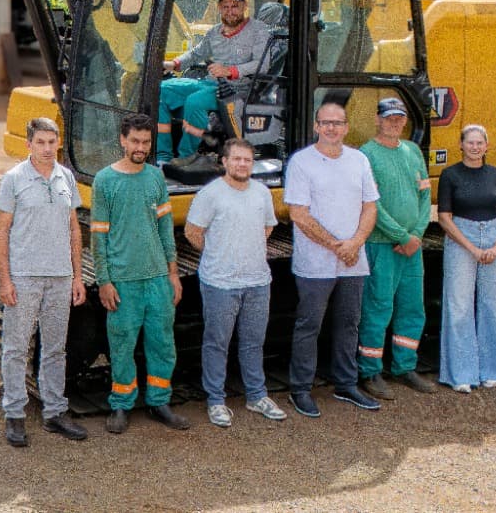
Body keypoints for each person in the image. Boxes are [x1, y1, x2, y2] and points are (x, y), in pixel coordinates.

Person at [0, 117, 90, 446]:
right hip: (24, 276)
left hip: (60, 276)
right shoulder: (14, 179)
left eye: (52, 142)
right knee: (16, 348)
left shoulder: (67, 177)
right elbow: (2, 232)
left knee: (55, 348)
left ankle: (54, 412)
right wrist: (5, 280)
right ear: (29, 144)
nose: (47, 148)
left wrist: (77, 276)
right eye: (41, 143)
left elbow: (74, 229)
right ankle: (15, 414)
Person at [91, 112, 189, 433]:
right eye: (135, 140)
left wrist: (173, 273)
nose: (140, 147)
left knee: (162, 342)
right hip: (123, 280)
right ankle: (121, 404)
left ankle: (159, 401)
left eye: (146, 142)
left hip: (158, 278)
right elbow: (99, 236)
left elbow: (164, 229)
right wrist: (104, 281)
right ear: (122, 140)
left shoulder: (155, 177)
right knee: (121, 345)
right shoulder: (105, 181)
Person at [284, 100, 382, 417]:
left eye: (337, 123)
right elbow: (298, 213)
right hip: (315, 263)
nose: (331, 128)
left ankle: (346, 384)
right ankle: (300, 388)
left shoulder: (359, 160)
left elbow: (370, 207)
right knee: (309, 324)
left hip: (354, 260)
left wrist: (354, 243)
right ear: (316, 126)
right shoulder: (301, 162)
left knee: (348, 323)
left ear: (346, 127)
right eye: (325, 123)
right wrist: (337, 245)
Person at [183, 138, 287, 426]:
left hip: (257, 281)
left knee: (253, 342)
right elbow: (193, 232)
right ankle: (216, 400)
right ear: (224, 162)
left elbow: (267, 228)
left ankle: (256, 395)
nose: (242, 164)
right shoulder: (210, 194)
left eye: (247, 160)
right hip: (220, 283)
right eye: (236, 159)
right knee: (217, 342)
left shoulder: (262, 193)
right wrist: (220, 252)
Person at [356, 97, 437, 399]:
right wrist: (402, 237)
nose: (394, 122)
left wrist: (416, 234)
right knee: (378, 309)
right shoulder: (367, 154)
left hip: (412, 248)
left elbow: (425, 195)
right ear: (377, 119)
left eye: (399, 117)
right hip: (382, 246)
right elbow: (372, 204)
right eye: (389, 117)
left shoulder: (413, 151)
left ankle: (405, 366)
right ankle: (370, 371)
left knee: (412, 308)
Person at [436, 123, 496, 392]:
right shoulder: (450, 175)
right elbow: (444, 217)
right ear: (461, 145)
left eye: (480, 142)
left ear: (487, 146)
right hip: (461, 238)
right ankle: (461, 374)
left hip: (494, 237)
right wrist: (471, 247)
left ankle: (493, 371)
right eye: (470, 142)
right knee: (459, 306)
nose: (475, 147)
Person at [157, 0, 270, 160]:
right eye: (225, 6)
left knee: (194, 102)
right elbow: (196, 54)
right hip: (209, 83)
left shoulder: (258, 30)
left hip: (234, 90)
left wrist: (230, 71)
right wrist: (173, 63)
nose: (230, 11)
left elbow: (261, 65)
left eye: (235, 6)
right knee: (160, 90)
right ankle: (162, 156)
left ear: (244, 6)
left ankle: (187, 156)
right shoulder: (214, 32)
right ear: (219, 8)